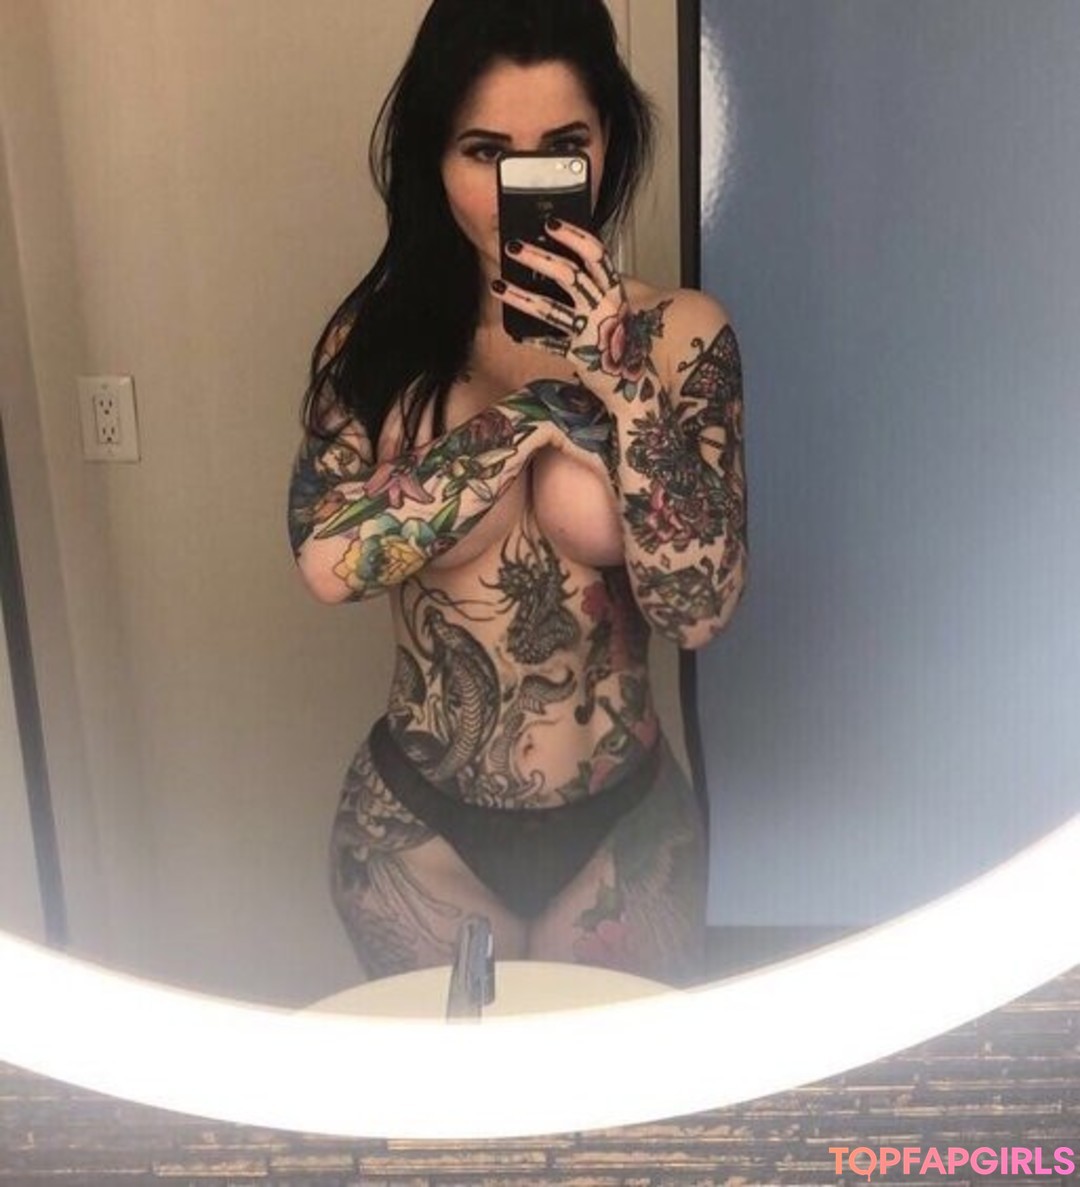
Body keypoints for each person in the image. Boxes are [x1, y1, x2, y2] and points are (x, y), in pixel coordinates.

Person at [288, 0, 746, 988]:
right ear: (434, 156)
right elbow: (329, 562)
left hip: (623, 824)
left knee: (617, 1090)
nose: (517, 190)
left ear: (607, 143)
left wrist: (624, 386)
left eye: (560, 148)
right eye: (486, 150)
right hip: (418, 833)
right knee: (450, 1090)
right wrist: (534, 410)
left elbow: (699, 608)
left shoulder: (682, 337)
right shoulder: (379, 345)